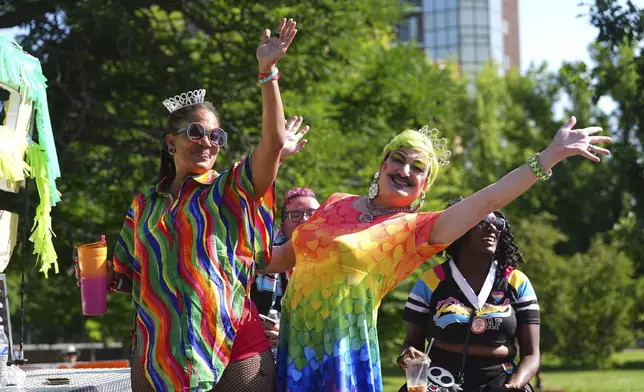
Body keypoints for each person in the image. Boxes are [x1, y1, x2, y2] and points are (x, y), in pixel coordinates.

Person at [263, 118, 611, 392]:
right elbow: (279, 258)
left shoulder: (416, 229)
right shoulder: (336, 202)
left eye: (417, 169)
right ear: (382, 165)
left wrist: (550, 156)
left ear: (424, 186)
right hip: (295, 338)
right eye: (398, 160)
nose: (404, 171)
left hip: (340, 349)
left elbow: (488, 200)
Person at [75, 18, 303, 392]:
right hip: (155, 352)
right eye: (195, 132)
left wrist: (268, 73)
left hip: (233, 347)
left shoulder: (231, 189)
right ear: (171, 142)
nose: (207, 142)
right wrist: (96, 276)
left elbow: (273, 143)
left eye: (216, 136)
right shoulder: (144, 205)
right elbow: (123, 274)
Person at [397, 197, 538, 391]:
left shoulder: (517, 282)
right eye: (481, 222)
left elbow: (531, 354)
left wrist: (515, 384)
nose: (492, 228)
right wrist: (407, 355)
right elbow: (412, 343)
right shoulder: (430, 282)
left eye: (497, 223)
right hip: (441, 379)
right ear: (459, 229)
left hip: (501, 379)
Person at [251, 187, 320, 350]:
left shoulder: (334, 260)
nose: (305, 220)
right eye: (295, 215)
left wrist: (288, 334)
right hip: (259, 345)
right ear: (282, 226)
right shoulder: (263, 253)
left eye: (313, 214)